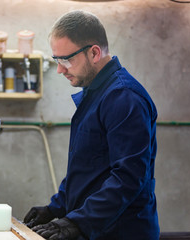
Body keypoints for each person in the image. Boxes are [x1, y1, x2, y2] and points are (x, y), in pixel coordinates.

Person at [23, 10, 159, 240]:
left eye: (66, 60)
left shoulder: (123, 97)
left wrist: (76, 222)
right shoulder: (96, 93)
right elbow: (87, 169)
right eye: (57, 60)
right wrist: (56, 208)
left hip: (122, 233)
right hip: (98, 231)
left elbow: (128, 177)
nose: (60, 69)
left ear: (94, 52)